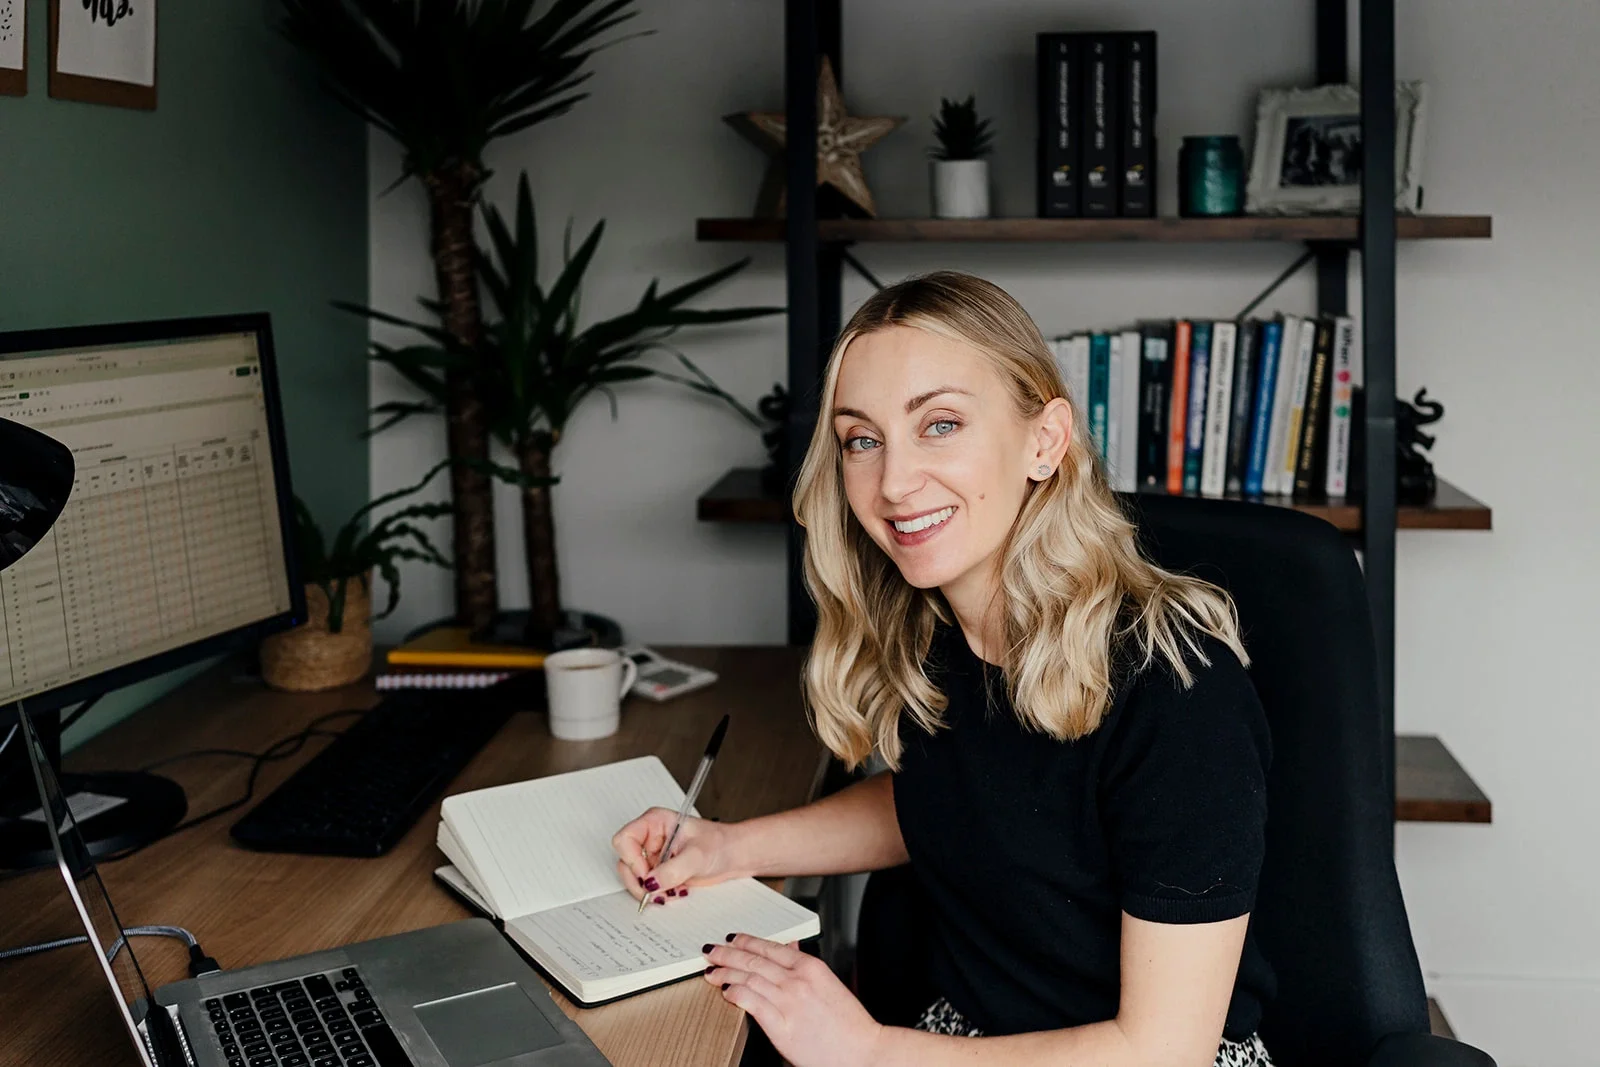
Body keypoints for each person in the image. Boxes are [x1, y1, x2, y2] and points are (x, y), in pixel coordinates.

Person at [611, 271, 1275, 1067]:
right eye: (862, 439)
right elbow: (946, 803)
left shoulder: (1177, 691)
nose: (892, 482)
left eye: (941, 424)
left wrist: (866, 1050)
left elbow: (1163, 1051)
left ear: (1045, 439)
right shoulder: (939, 629)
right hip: (968, 1036)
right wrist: (731, 846)